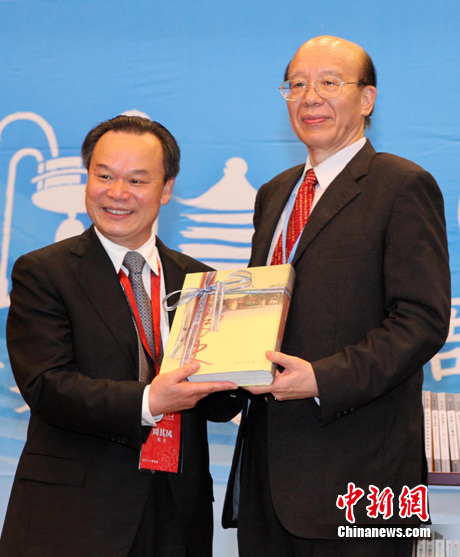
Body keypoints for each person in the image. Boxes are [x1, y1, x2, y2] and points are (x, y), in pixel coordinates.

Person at [223, 36, 451, 556]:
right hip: (268, 471)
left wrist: (323, 379)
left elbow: (421, 320)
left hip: (363, 475)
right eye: (297, 85)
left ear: (367, 99)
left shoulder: (402, 185)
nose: (310, 98)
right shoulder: (274, 193)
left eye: (329, 82)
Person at [0, 115, 240, 557]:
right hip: (74, 516)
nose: (117, 193)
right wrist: (150, 401)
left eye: (137, 180)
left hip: (175, 512)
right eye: (104, 176)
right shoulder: (44, 272)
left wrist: (244, 368)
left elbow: (220, 406)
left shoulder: (200, 281)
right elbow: (48, 386)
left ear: (166, 189)